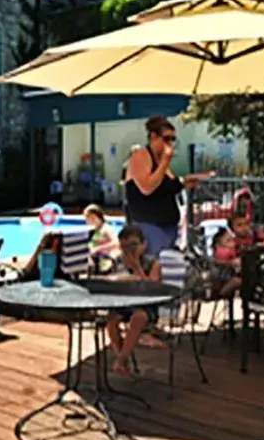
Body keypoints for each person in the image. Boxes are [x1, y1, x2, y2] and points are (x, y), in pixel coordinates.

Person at [124, 116, 213, 256]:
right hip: (149, 225)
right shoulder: (141, 157)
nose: (170, 144)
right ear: (153, 137)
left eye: (173, 139)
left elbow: (170, 185)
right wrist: (165, 161)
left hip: (168, 226)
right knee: (155, 267)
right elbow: (147, 188)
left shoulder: (161, 162)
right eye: (166, 139)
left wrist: (187, 182)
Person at [105, 224, 163, 376]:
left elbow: (152, 288)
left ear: (144, 244)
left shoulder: (153, 263)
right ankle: (121, 357)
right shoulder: (118, 262)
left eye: (133, 245)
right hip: (124, 303)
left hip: (145, 305)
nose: (128, 250)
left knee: (139, 317)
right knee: (111, 319)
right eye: (124, 246)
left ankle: (121, 360)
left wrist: (137, 267)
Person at [84, 203, 121, 271]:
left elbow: (117, 243)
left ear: (93, 217)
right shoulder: (97, 229)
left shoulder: (105, 229)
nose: (85, 220)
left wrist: (97, 248)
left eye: (87, 217)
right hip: (99, 259)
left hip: (106, 260)